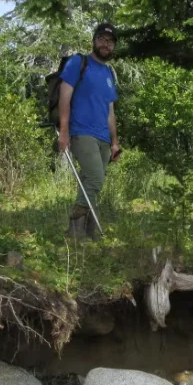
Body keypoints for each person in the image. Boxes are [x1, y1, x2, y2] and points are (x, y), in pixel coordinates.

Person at [57, 23, 120, 239]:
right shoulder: (79, 62)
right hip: (81, 132)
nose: (106, 44)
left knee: (88, 182)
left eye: (110, 41)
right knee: (95, 178)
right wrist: (64, 131)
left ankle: (82, 234)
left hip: (103, 137)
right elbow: (64, 96)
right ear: (94, 41)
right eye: (102, 39)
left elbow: (110, 110)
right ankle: (77, 218)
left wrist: (115, 142)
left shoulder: (108, 73)